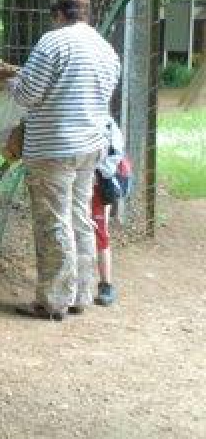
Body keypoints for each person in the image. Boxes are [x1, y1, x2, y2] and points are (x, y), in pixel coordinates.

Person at [10, 0, 120, 320]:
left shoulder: (53, 42)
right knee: (80, 217)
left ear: (58, 14)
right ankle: (81, 293)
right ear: (85, 14)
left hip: (54, 147)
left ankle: (53, 300)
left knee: (53, 223)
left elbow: (28, 93)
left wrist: (15, 83)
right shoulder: (105, 48)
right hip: (91, 146)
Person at [91, 119, 129, 306]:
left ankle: (106, 284)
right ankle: (76, 279)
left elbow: (112, 158)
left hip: (104, 178)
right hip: (93, 175)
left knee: (99, 231)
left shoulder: (104, 122)